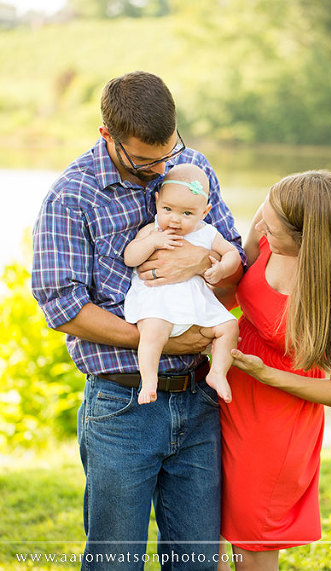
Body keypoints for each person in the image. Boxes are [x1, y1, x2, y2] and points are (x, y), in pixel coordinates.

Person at [31, 71, 244, 569]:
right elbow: (64, 309)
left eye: (169, 151)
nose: (162, 166)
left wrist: (200, 261)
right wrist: (164, 341)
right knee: (115, 561)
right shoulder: (71, 197)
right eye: (146, 159)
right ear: (107, 136)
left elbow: (233, 252)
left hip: (199, 400)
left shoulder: (191, 166)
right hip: (121, 404)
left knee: (195, 561)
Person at [217, 170, 331, 570]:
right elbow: (231, 293)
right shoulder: (269, 227)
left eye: (272, 224)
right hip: (222, 395)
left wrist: (266, 374)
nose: (262, 223)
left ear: (306, 239)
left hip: (274, 424)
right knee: (208, 526)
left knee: (252, 546)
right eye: (265, 211)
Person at [124, 163, 240, 404]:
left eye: (187, 213)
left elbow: (233, 254)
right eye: (167, 209)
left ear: (204, 211)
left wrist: (220, 268)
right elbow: (130, 257)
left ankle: (217, 372)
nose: (175, 220)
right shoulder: (151, 230)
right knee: (152, 336)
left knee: (229, 326)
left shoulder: (207, 233)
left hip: (195, 308)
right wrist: (152, 242)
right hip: (157, 304)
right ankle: (149, 380)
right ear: (157, 202)